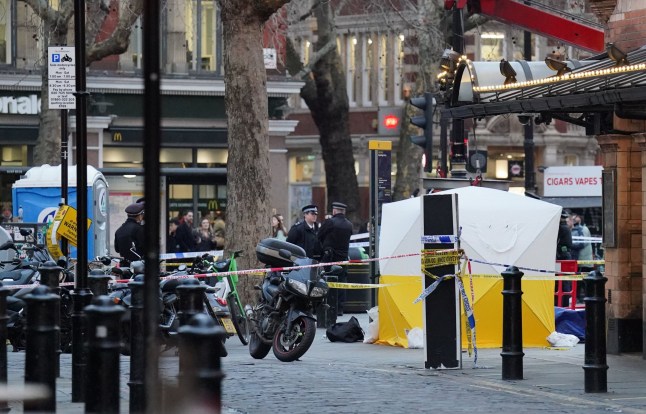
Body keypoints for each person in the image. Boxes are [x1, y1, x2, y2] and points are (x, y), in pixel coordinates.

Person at [318, 201, 353, 316]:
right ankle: (340, 309)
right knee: (342, 283)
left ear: (334, 211)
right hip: (343, 258)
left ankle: (328, 306)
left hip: (330, 257)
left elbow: (319, 235)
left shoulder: (330, 222)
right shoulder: (349, 224)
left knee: (327, 281)